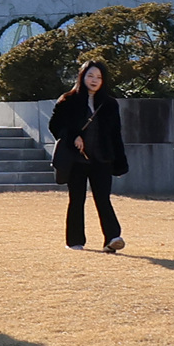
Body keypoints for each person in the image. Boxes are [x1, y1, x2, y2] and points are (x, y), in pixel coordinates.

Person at [51, 56, 128, 252]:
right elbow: (55, 126)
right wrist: (73, 136)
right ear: (82, 77)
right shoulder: (68, 100)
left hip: (102, 158)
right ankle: (75, 241)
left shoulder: (110, 104)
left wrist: (119, 161)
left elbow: (115, 134)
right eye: (90, 75)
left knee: (103, 198)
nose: (94, 80)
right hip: (76, 159)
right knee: (77, 199)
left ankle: (113, 238)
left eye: (99, 77)